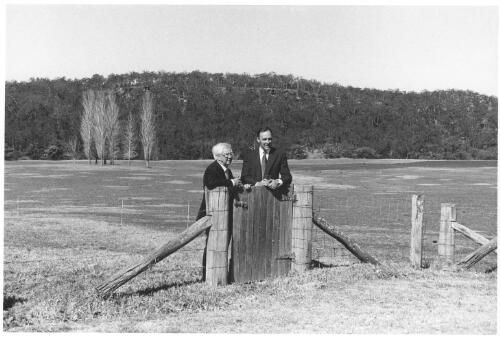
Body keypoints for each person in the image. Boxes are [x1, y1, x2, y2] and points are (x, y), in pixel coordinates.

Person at [196, 143, 241, 281]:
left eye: (231, 154)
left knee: (223, 244)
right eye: (226, 154)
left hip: (224, 213)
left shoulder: (226, 170)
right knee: (212, 245)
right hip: (213, 214)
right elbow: (212, 184)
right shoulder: (212, 169)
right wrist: (232, 183)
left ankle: (221, 273)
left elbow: (228, 187)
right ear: (217, 157)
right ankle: (208, 275)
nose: (230, 157)